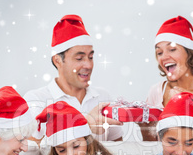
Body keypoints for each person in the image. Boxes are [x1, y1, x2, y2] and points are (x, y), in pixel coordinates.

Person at [24, 14, 123, 142]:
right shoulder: (37, 100)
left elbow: (116, 151)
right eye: (79, 58)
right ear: (58, 60)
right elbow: (32, 149)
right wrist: (85, 123)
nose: (88, 65)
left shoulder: (103, 98)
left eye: (91, 57)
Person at [140, 16, 193, 144]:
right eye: (159, 53)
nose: (164, 57)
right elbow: (151, 148)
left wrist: (190, 109)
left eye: (172, 49)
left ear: (189, 53)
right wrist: (144, 126)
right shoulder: (156, 91)